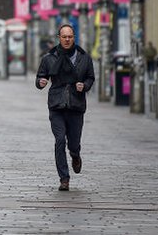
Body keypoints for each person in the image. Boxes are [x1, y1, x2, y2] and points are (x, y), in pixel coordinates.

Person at [35, 23, 95, 191]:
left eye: (70, 37)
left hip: (76, 105)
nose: (67, 39)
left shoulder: (84, 57)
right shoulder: (49, 58)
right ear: (59, 38)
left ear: (74, 37)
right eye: (64, 37)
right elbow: (40, 77)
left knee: (73, 144)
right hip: (57, 105)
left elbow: (90, 77)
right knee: (60, 140)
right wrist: (41, 82)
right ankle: (64, 178)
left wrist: (85, 85)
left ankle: (75, 156)